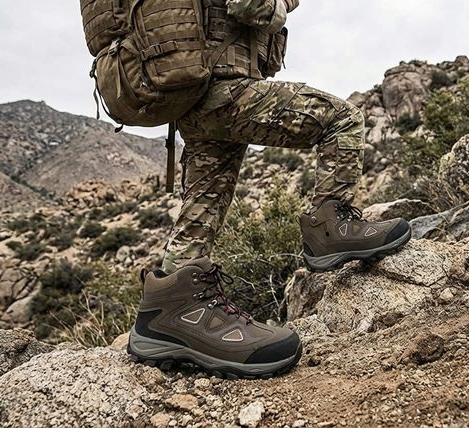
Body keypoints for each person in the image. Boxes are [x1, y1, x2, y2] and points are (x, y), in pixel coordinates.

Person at [127, 0, 412, 379]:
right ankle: (332, 229)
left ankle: (169, 313)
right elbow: (251, 6)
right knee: (342, 119)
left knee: (203, 206)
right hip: (224, 92)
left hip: (194, 101)